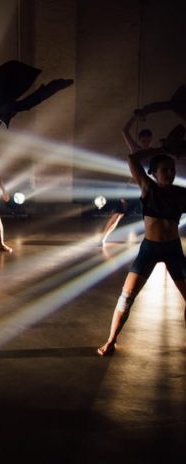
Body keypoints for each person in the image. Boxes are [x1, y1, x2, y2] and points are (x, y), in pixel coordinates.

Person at [97, 149, 186, 356]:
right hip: (150, 249)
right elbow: (132, 159)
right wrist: (164, 149)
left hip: (173, 250)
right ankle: (111, 340)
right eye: (165, 170)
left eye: (172, 170)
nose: (170, 173)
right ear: (154, 173)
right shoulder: (148, 187)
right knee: (126, 297)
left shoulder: (181, 193)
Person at [99, 116, 153, 246]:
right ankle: (102, 239)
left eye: (148, 140)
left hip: (145, 189)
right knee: (118, 214)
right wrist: (135, 117)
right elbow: (124, 131)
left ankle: (151, 240)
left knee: (149, 215)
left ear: (151, 140)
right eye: (143, 140)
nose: (145, 143)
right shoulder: (136, 150)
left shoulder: (153, 153)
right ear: (140, 140)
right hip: (132, 188)